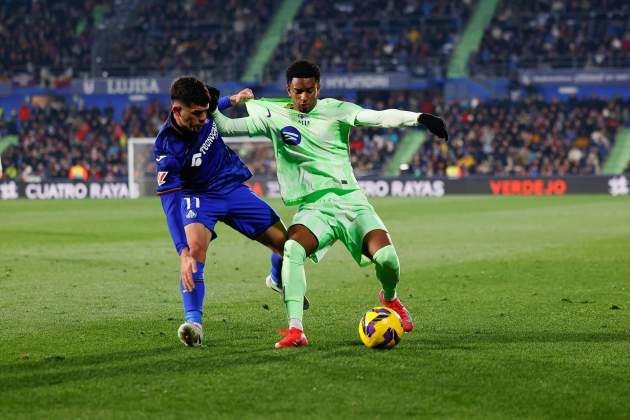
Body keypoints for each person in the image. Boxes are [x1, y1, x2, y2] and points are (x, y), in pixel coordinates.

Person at [213, 60, 448, 349]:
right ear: (289, 89)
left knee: (387, 260)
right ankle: (295, 329)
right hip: (314, 207)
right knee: (292, 249)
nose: (303, 98)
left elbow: (378, 117)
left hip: (351, 201)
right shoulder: (272, 116)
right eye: (298, 91)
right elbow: (223, 126)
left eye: (309, 91)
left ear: (318, 88)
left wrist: (420, 118)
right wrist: (221, 102)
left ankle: (390, 299)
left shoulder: (338, 110)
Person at [154, 76, 307, 347]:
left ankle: (276, 280)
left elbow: (214, 104)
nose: (204, 118)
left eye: (205, 111)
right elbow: (171, 202)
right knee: (195, 252)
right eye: (197, 113)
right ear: (178, 111)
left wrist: (233, 100)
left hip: (230, 185)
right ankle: (194, 323)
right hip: (198, 197)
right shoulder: (166, 147)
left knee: (288, 246)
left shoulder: (206, 101)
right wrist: (182, 251)